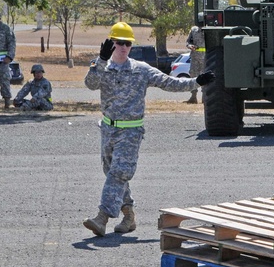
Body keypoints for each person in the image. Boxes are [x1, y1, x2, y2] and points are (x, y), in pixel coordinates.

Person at [83, 21, 214, 237]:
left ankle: (102, 218)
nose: (123, 47)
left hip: (131, 132)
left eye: (127, 43)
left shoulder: (141, 70)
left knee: (119, 172)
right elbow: (90, 84)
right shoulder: (102, 67)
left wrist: (197, 82)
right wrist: (101, 61)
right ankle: (129, 215)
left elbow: (170, 83)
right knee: (112, 173)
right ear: (111, 44)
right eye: (119, 43)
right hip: (108, 130)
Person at [185, 24, 206, 104]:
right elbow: (188, 42)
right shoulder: (194, 30)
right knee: (193, 75)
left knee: (205, 76)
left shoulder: (208, 30)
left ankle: (205, 97)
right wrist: (190, 45)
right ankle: (193, 97)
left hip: (206, 57)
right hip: (195, 57)